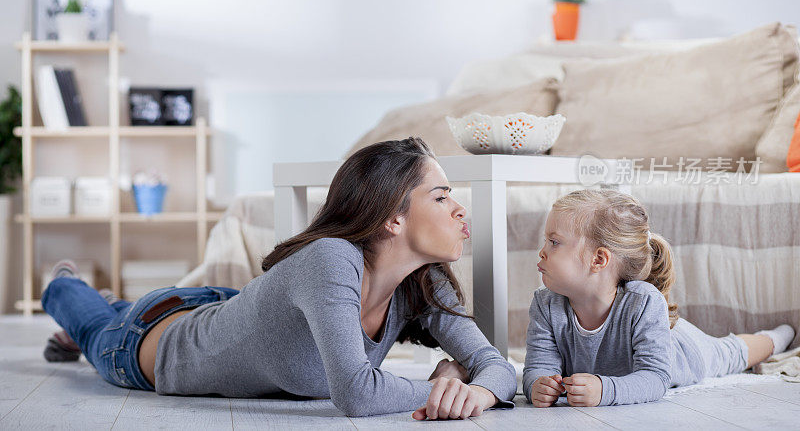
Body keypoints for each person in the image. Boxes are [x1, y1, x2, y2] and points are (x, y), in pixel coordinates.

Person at [42, 137, 517, 419]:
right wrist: (446, 389)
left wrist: (474, 390)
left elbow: (497, 367)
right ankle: (68, 286)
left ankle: (109, 305)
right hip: (149, 342)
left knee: (115, 315)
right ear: (393, 219)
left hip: (225, 310)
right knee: (90, 325)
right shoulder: (331, 260)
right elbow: (355, 392)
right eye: (441, 197)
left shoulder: (421, 283)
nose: (459, 209)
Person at [523, 188, 795, 407]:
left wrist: (606, 389)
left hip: (682, 351)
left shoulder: (643, 302)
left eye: (554, 242)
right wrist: (539, 385)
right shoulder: (546, 304)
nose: (542, 251)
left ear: (599, 259)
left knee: (730, 353)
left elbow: (655, 378)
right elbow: (537, 367)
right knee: (729, 351)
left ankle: (778, 337)